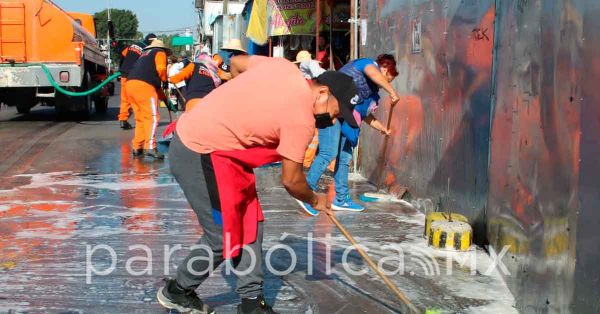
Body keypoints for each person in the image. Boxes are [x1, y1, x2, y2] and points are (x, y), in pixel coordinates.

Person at [156, 56, 358, 314]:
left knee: (250, 222)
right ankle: (177, 291)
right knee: (222, 235)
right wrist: (316, 199)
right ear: (323, 92)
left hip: (227, 155)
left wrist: (239, 102)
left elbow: (237, 63)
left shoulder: (282, 67)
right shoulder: (300, 120)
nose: (332, 120)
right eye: (335, 111)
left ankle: (252, 304)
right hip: (198, 150)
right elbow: (292, 180)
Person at [297, 54, 400, 215]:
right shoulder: (367, 64)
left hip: (345, 119)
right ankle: (305, 192)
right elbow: (373, 73)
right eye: (387, 79)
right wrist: (392, 92)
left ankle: (341, 198)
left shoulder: (371, 91)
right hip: (330, 112)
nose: (385, 84)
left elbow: (364, 114)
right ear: (384, 69)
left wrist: (382, 128)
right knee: (328, 152)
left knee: (343, 159)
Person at [125, 39, 172, 159]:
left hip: (130, 85)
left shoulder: (144, 56)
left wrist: (165, 100)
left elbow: (156, 87)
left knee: (140, 118)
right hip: (144, 86)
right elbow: (161, 69)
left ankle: (137, 147)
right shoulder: (159, 52)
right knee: (152, 117)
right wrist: (165, 80)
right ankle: (150, 147)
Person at [117, 33, 157, 129]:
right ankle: (140, 120)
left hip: (124, 74)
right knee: (137, 99)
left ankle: (123, 119)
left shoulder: (132, 46)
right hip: (135, 75)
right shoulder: (147, 50)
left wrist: (121, 69)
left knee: (125, 98)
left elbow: (122, 55)